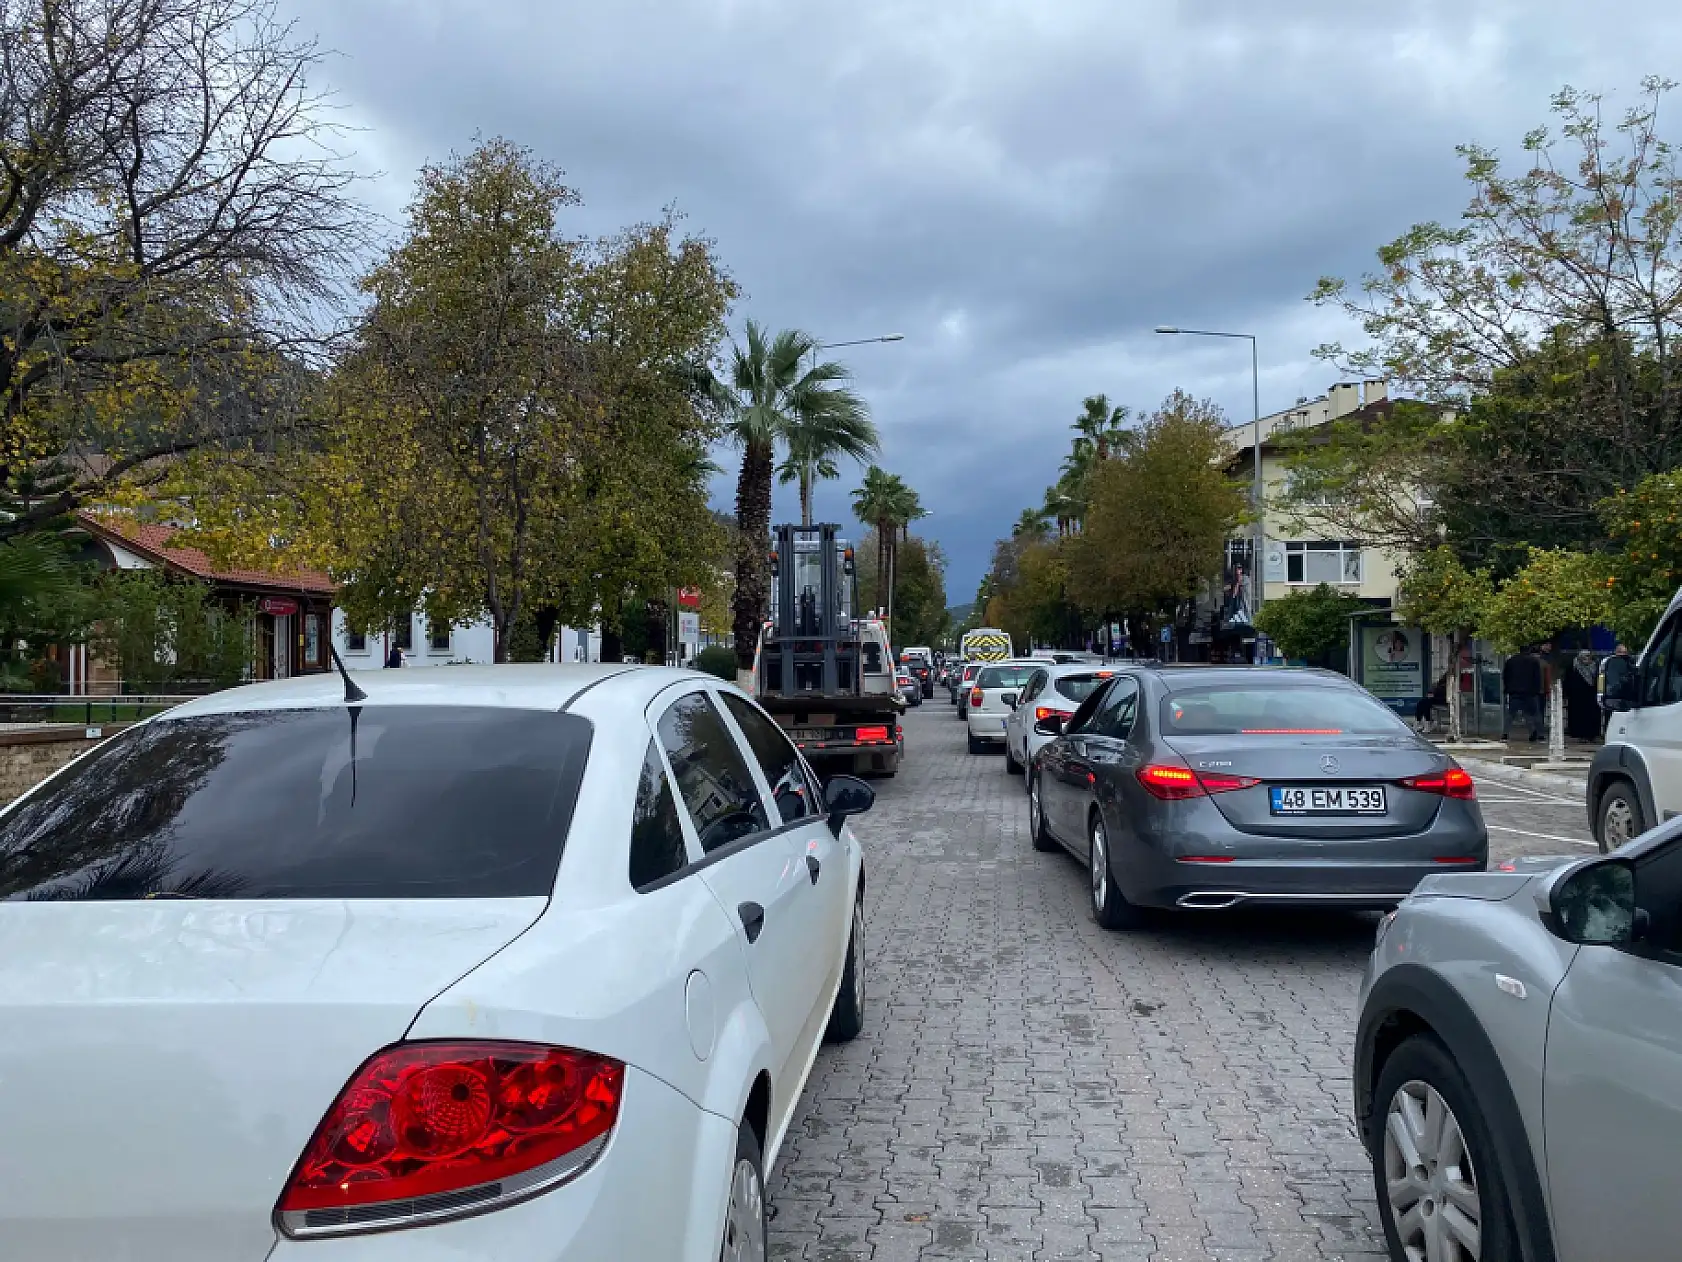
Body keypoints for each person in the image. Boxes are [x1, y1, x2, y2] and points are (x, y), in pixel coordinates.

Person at [1502, 645, 1545, 742]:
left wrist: (1507, 688)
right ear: (1529, 650)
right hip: (1530, 692)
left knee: (1511, 714)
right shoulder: (1533, 661)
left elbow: (1505, 676)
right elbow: (1537, 677)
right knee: (1534, 713)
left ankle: (1505, 734)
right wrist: (1536, 690)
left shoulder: (1511, 661)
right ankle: (1539, 735)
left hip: (1514, 692)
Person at [1564, 648, 1601, 742]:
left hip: (1592, 696)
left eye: (1588, 656)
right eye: (1584, 656)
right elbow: (1568, 681)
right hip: (1577, 697)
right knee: (1580, 717)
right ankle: (1581, 735)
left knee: (1592, 716)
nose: (1587, 659)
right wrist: (1567, 693)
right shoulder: (1573, 667)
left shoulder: (1595, 666)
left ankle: (1592, 735)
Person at [1601, 643, 1634, 734]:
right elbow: (1612, 680)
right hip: (1613, 696)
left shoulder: (1630, 662)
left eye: (1625, 652)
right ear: (1616, 652)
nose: (1623, 655)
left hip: (1628, 697)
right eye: (1621, 652)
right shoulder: (1611, 663)